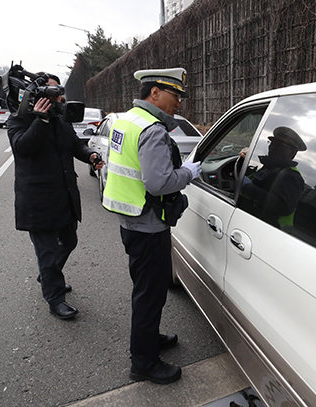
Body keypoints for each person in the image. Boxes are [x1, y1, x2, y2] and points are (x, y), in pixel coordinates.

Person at [102, 68, 201, 385]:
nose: (179, 105)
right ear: (155, 93)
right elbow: (159, 183)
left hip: (130, 221)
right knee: (150, 295)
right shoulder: (153, 129)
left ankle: (148, 338)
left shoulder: (128, 120)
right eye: (176, 96)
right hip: (148, 226)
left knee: (146, 291)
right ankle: (143, 362)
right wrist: (188, 172)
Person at [7, 73, 104, 320]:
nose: (57, 95)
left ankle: (49, 275)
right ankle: (55, 298)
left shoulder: (60, 117)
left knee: (69, 241)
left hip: (64, 196)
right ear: (36, 94)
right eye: (51, 91)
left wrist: (90, 155)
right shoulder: (20, 119)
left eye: (57, 91)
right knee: (47, 253)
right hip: (38, 201)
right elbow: (22, 148)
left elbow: (74, 145)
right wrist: (40, 120)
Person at [238, 126, 306, 231]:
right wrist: (243, 160)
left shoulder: (291, 175)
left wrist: (247, 187)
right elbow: (257, 182)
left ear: (292, 152)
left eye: (280, 145)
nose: (273, 147)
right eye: (272, 143)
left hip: (266, 230)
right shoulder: (271, 168)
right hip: (249, 222)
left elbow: (283, 206)